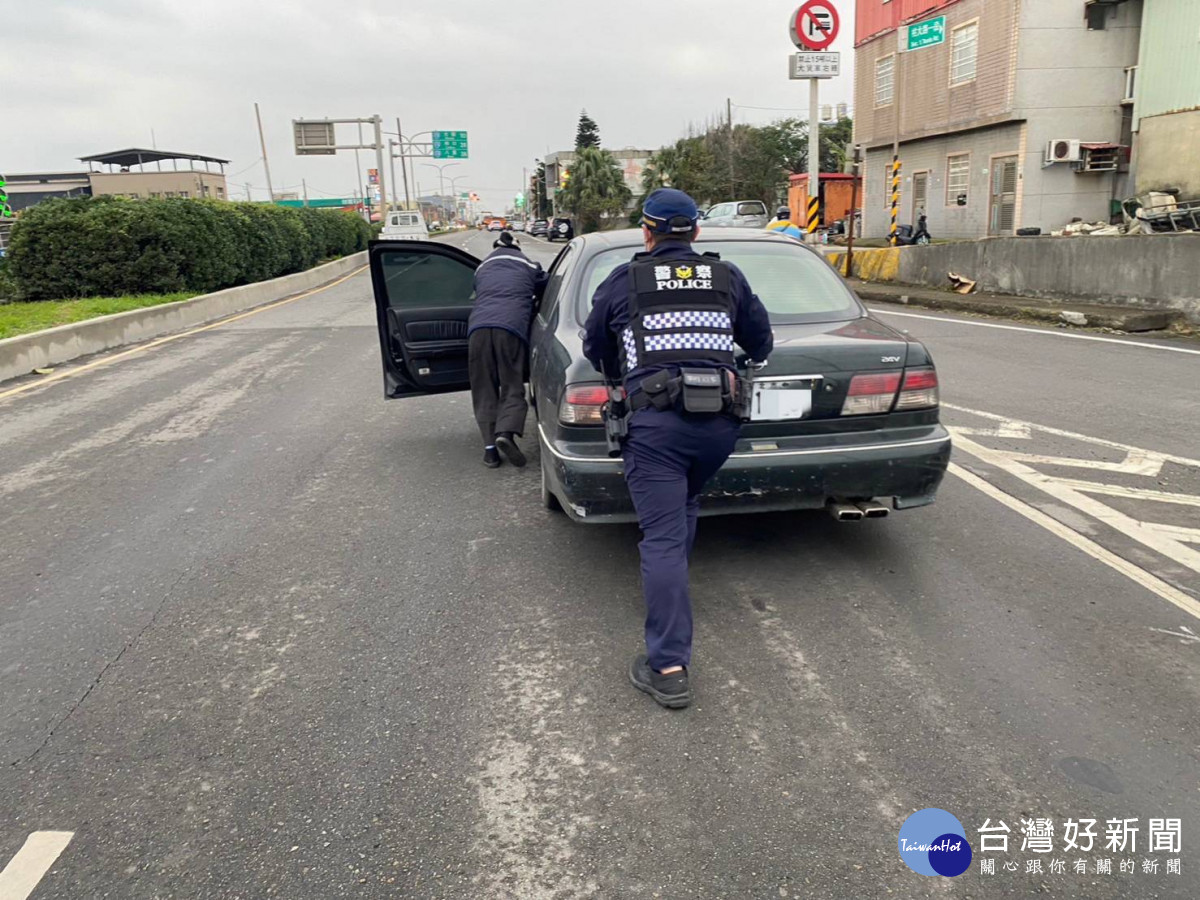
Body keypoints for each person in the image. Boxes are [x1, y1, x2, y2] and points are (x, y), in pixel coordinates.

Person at [583, 188, 773, 709]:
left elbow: (595, 346)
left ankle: (667, 666)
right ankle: (674, 596)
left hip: (658, 427)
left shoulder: (625, 279)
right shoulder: (726, 277)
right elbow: (760, 343)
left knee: (662, 537)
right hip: (719, 426)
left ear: (647, 232)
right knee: (683, 504)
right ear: (696, 231)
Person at [467, 231, 547, 468]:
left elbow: (478, 292)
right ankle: (506, 433)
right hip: (511, 329)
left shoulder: (482, 268)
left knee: (483, 387)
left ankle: (490, 451)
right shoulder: (529, 265)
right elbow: (545, 288)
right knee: (511, 384)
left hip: (478, 330)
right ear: (518, 248)